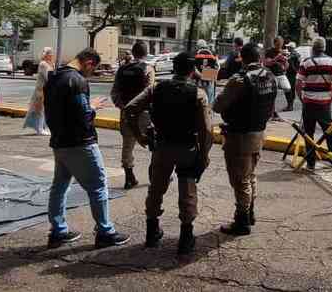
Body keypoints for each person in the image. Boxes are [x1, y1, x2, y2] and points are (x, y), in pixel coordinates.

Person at [124, 52, 213, 253]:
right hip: (187, 148)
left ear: (174, 68)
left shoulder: (156, 89)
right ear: (192, 71)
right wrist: (204, 155)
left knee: (156, 188)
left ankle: (152, 232)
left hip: (162, 147)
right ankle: (186, 238)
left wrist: (139, 137)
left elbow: (130, 109)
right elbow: (206, 130)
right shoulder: (198, 94)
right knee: (187, 191)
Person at [44, 48, 130, 249]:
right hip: (80, 142)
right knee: (98, 186)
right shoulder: (77, 81)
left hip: (59, 141)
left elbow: (59, 108)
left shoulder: (54, 76)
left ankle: (58, 230)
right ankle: (105, 232)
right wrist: (92, 108)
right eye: (94, 69)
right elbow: (83, 116)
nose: (91, 73)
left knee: (59, 186)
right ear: (89, 62)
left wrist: (86, 106)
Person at [213, 43, 277, 236]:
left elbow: (217, 106)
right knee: (250, 176)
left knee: (240, 180)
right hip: (259, 133)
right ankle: (249, 213)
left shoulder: (239, 80)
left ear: (242, 58)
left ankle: (241, 221)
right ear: (259, 58)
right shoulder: (269, 76)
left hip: (239, 136)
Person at [111, 41, 155, 189]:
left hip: (126, 114)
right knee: (154, 144)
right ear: (146, 53)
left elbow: (114, 93)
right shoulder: (148, 68)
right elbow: (150, 92)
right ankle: (155, 175)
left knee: (127, 146)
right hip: (143, 113)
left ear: (133, 52)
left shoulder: (122, 69)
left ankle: (129, 177)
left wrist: (124, 107)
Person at [296, 37, 332, 170]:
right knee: (329, 131)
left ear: (313, 48)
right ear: (324, 48)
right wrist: (330, 100)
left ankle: (311, 162)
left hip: (309, 103)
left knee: (308, 133)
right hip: (324, 104)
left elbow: (298, 84)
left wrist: (302, 99)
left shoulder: (306, 63)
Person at [24, 47, 54, 135]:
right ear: (47, 54)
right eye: (50, 53)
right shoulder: (43, 64)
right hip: (41, 90)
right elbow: (47, 77)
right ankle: (40, 129)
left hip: (47, 89)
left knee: (43, 109)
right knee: (40, 109)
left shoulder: (50, 63)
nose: (52, 55)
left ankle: (42, 128)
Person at [263, 36, 289, 120]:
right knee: (273, 94)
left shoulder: (282, 51)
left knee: (288, 88)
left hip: (281, 74)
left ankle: (273, 113)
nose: (280, 46)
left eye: (281, 44)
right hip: (272, 74)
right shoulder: (269, 51)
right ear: (274, 43)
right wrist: (276, 58)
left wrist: (285, 62)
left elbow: (286, 66)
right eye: (278, 44)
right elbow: (267, 63)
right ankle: (273, 113)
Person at [194, 40, 219, 105]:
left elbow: (193, 68)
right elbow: (217, 67)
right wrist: (208, 75)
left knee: (199, 100)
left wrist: (201, 76)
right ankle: (209, 113)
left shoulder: (196, 53)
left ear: (198, 46)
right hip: (210, 81)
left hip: (198, 81)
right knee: (209, 101)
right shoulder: (213, 53)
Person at [283, 41, 301, 112]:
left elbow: (292, 66)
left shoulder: (292, 55)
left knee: (288, 89)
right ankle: (290, 105)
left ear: (291, 48)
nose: (287, 48)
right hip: (294, 74)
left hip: (291, 74)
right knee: (291, 90)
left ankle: (290, 106)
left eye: (288, 47)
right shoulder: (297, 54)